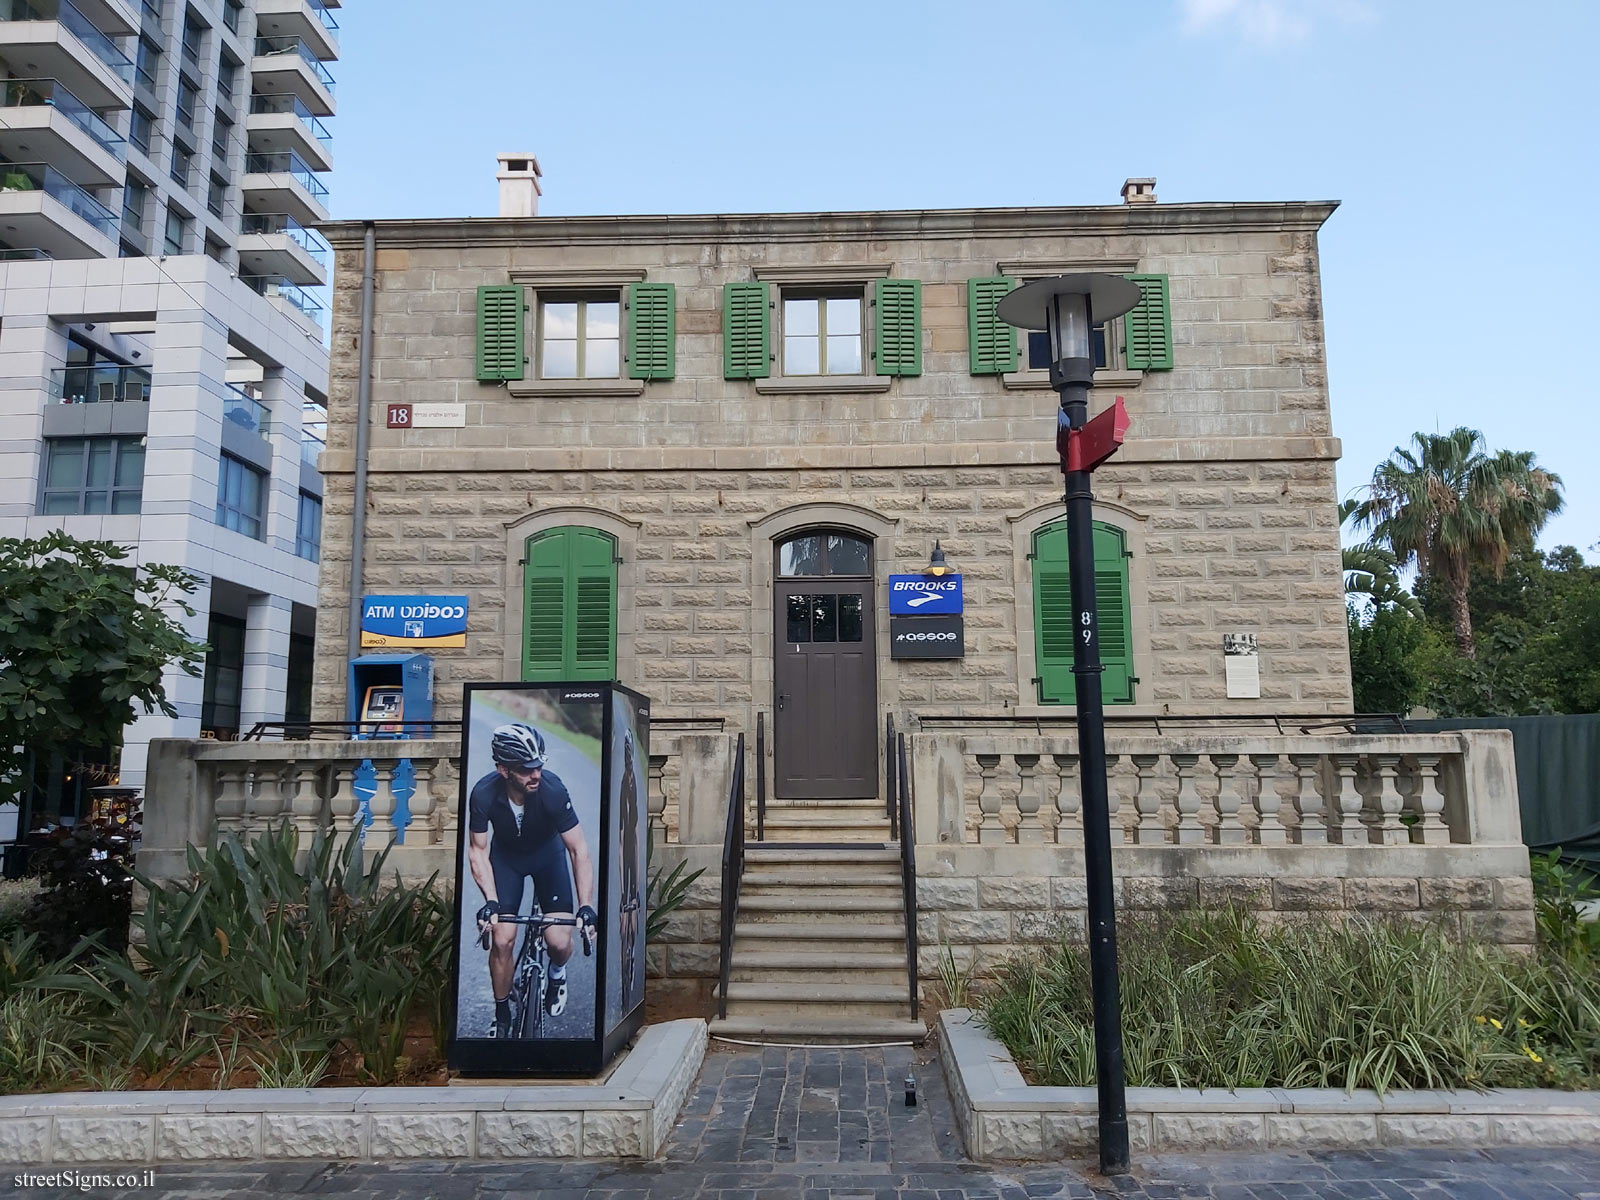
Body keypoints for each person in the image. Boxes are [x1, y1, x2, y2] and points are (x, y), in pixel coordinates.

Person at [468, 722, 598, 1039]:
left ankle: (556, 973)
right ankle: (502, 1014)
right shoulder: (483, 794)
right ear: (503, 769)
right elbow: (478, 851)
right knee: (501, 940)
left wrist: (585, 906)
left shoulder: (552, 790)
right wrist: (490, 902)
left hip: (547, 857)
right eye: (526, 769)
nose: (535, 774)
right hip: (507, 860)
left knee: (558, 942)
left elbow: (578, 849)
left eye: (538, 765)